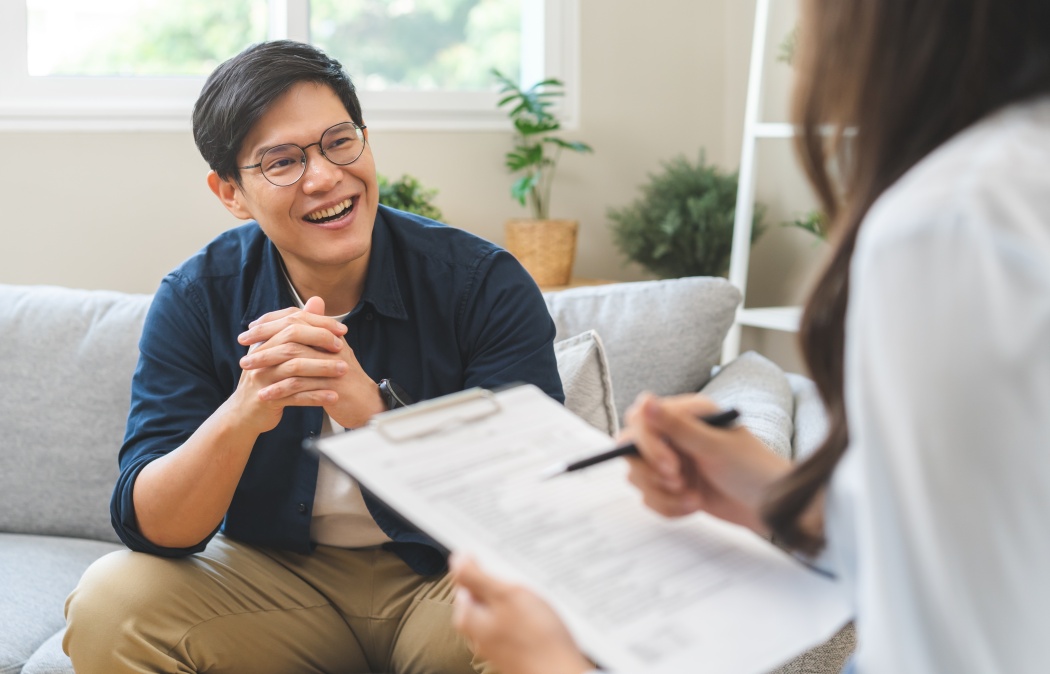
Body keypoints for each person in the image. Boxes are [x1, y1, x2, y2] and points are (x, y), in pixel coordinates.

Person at [451, 1, 1050, 672]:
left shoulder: (954, 223)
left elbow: (956, 643)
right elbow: (973, 543)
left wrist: (552, 664)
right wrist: (778, 497)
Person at [63, 40, 563, 674]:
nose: (326, 176)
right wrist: (245, 411)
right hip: (276, 590)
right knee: (112, 601)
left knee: (548, 598)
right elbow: (152, 528)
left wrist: (371, 416)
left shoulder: (481, 282)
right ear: (230, 193)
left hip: (449, 580)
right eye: (282, 161)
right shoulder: (197, 297)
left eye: (339, 142)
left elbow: (531, 495)